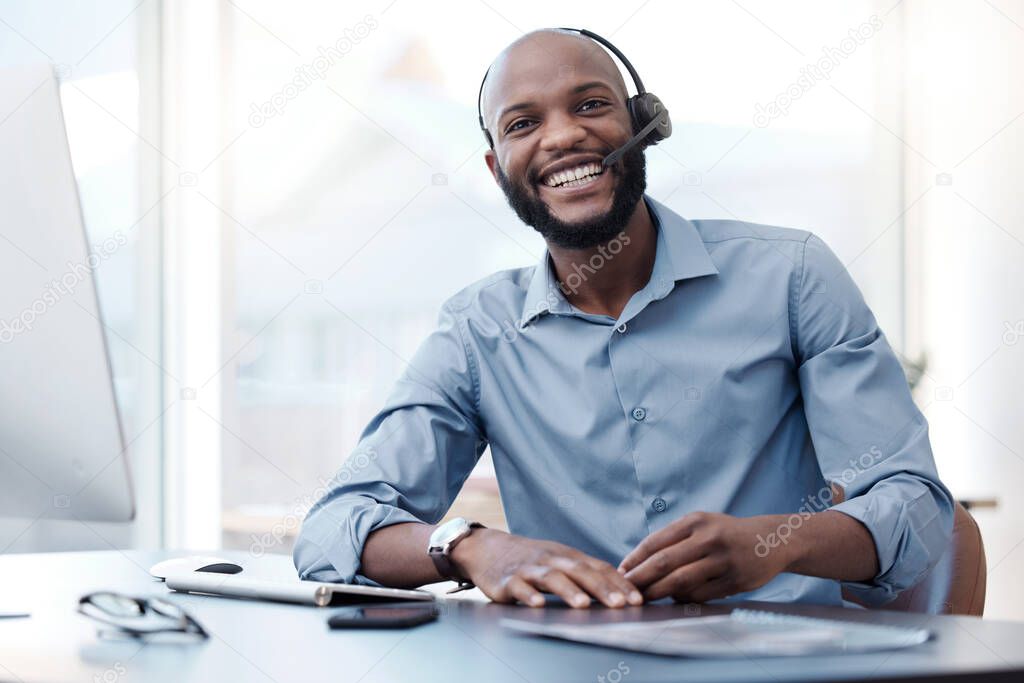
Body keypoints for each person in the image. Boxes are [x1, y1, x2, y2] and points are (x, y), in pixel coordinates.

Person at [293, 28, 953, 610]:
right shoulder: (476, 332)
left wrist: (774, 543)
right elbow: (334, 527)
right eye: (522, 124)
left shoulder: (793, 276)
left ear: (644, 122)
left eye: (590, 105)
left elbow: (917, 506)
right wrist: (471, 546)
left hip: (784, 653)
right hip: (576, 658)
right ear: (498, 170)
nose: (562, 136)